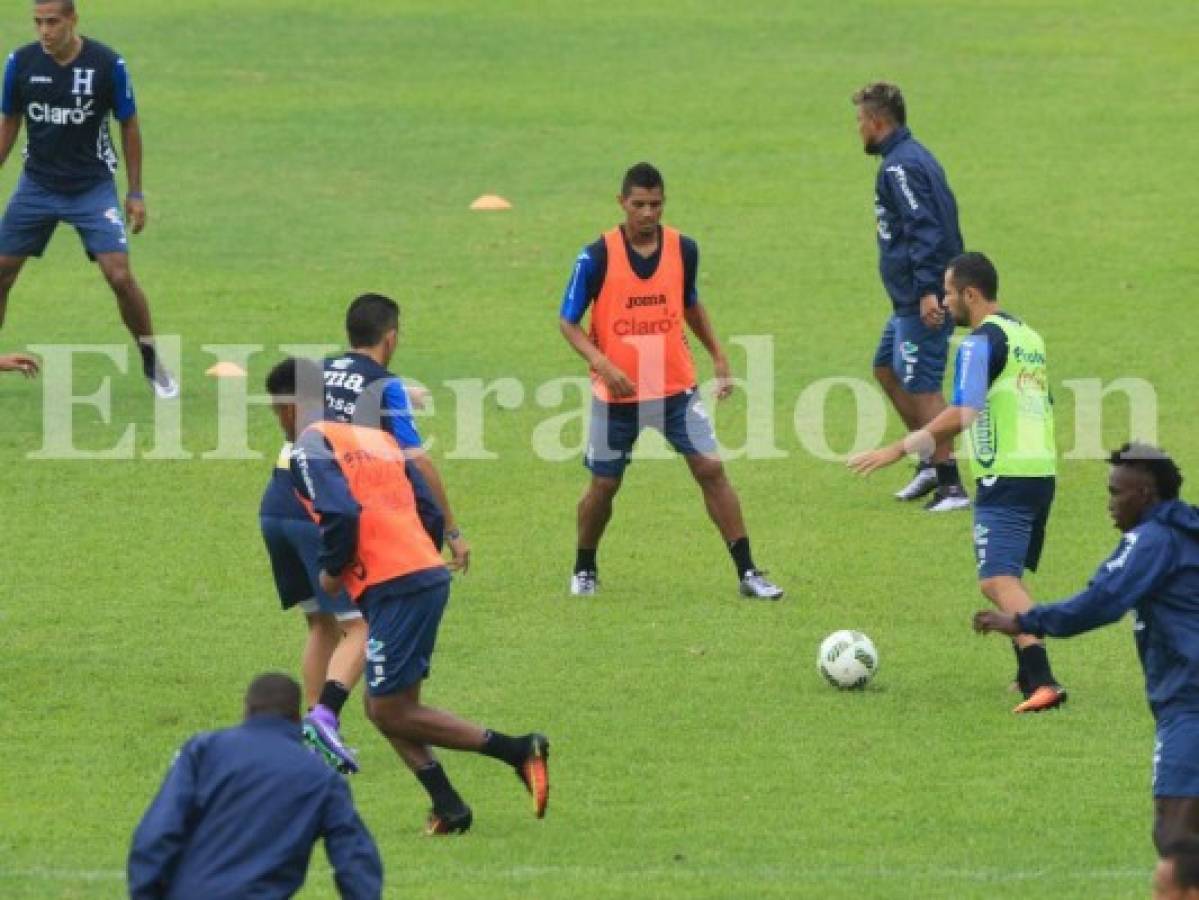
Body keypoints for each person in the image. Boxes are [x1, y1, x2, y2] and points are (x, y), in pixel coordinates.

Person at [267, 357, 549, 835]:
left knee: (389, 708)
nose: (279, 421)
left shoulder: (311, 447)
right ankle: (449, 807)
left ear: (293, 407)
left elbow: (339, 512)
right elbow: (426, 506)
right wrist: (419, 549)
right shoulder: (377, 438)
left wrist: (334, 571)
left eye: (277, 411)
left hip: (396, 586)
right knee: (392, 707)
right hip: (417, 576)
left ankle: (518, 750)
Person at [849, 252, 1066, 712]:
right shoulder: (1027, 335)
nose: (945, 302)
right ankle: (1026, 672)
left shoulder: (979, 343)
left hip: (1005, 473)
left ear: (971, 293)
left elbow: (964, 412)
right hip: (1040, 470)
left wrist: (898, 448)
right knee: (1012, 576)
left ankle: (1044, 681)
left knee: (997, 580)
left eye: (949, 292)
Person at [558, 161, 782, 599]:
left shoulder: (685, 249)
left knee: (711, 469)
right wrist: (603, 364)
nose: (647, 213)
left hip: (675, 390)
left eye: (655, 204)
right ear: (621, 202)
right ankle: (584, 566)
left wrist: (718, 355)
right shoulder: (596, 256)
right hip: (616, 396)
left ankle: (748, 572)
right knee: (604, 485)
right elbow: (568, 322)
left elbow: (691, 304)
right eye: (638, 204)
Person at [975, 444, 1199, 854]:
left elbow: (1103, 601)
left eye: (1117, 493)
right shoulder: (1188, 527)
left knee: (1176, 838)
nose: (1110, 504)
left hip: (1190, 700)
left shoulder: (1151, 540)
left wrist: (1022, 621)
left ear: (1146, 496)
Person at [0, 1, 176, 398]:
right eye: (38, 22)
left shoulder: (106, 64)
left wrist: (134, 191)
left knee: (119, 275)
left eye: (52, 22)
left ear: (72, 20)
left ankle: (152, 362)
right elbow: (10, 119)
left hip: (91, 188)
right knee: (2, 272)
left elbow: (128, 124)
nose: (44, 31)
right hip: (37, 187)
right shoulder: (21, 62)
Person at [128, 673, 382, 899]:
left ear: (246, 710)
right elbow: (355, 861)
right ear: (297, 719)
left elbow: (157, 832)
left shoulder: (204, 750)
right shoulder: (321, 779)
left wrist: (145, 891)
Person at [853, 81, 966, 511]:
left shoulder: (900, 167)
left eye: (861, 121)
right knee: (886, 368)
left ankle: (951, 483)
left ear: (878, 121)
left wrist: (928, 292)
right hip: (909, 297)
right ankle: (928, 462)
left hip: (923, 297)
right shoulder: (908, 158)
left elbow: (925, 229)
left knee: (922, 385)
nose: (858, 129)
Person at [323, 292, 470, 573]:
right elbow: (418, 460)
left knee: (328, 615)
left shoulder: (317, 371)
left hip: (301, 500)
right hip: (355, 510)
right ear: (390, 338)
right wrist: (452, 531)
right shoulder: (386, 384)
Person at [259, 441, 368, 776]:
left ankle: (314, 736)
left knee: (322, 625)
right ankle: (323, 722)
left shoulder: (313, 395)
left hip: (274, 509)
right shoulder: (356, 403)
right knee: (362, 627)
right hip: (313, 514)